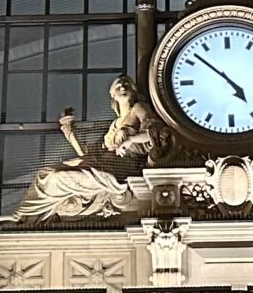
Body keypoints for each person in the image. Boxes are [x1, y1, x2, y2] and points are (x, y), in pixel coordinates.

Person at [9, 76, 155, 223]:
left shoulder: (139, 108)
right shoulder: (115, 125)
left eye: (126, 84)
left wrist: (130, 140)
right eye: (118, 86)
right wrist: (69, 131)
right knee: (45, 174)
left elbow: (154, 133)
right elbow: (89, 155)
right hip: (103, 166)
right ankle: (24, 218)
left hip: (122, 168)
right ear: (113, 95)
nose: (123, 86)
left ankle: (27, 218)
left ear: (134, 89)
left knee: (56, 179)